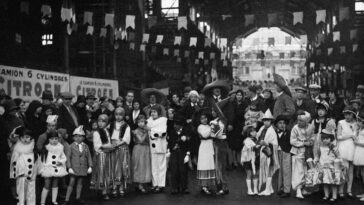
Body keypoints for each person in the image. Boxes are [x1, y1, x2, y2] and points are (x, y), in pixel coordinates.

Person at [63, 126, 93, 205]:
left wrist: (90, 166)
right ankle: (67, 199)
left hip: (83, 167)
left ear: (83, 137)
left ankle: (78, 197)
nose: (78, 138)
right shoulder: (71, 146)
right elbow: (68, 157)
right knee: (71, 182)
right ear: (73, 137)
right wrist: (69, 167)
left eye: (80, 136)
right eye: (76, 136)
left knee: (80, 182)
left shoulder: (86, 146)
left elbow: (89, 157)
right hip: (74, 167)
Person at [39, 130, 68, 205]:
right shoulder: (46, 148)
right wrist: (42, 169)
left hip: (56, 168)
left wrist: (61, 162)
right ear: (48, 139)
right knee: (47, 185)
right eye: (52, 139)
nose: (54, 141)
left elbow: (64, 157)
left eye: (56, 139)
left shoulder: (60, 147)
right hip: (48, 169)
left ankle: (54, 200)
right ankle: (42, 202)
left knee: (55, 184)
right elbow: (42, 160)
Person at [10, 127, 37, 205]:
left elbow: (36, 163)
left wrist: (35, 174)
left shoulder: (33, 148)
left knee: (31, 194)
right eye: (23, 137)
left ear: (31, 138)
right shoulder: (17, 149)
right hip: (21, 175)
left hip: (31, 175)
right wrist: (13, 174)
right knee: (21, 194)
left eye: (27, 137)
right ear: (20, 138)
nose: (25, 139)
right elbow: (13, 162)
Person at [290, 111, 314, 199]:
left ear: (306, 121)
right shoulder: (295, 128)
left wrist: (311, 141)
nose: (299, 122)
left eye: (301, 121)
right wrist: (304, 143)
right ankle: (298, 190)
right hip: (298, 152)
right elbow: (292, 141)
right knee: (298, 171)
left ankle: (306, 188)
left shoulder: (310, 127)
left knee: (306, 170)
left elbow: (312, 137)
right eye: (298, 120)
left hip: (308, 153)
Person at [314, 129, 342, 202]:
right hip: (323, 166)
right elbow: (318, 155)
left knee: (333, 182)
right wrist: (316, 160)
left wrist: (337, 163)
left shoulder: (333, 147)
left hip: (331, 167)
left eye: (327, 139)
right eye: (323, 139)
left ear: (331, 139)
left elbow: (338, 156)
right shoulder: (320, 146)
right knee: (325, 182)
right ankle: (326, 195)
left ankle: (334, 196)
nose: (325, 140)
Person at [337, 106, 358, 198]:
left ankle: (349, 190)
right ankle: (341, 189)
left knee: (351, 170)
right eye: (345, 114)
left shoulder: (356, 124)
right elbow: (339, 137)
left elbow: (357, 136)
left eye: (349, 114)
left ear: (353, 115)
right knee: (344, 169)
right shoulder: (341, 123)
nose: (347, 116)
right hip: (343, 147)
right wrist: (350, 135)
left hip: (353, 147)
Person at [90, 114, 114, 200]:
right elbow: (97, 146)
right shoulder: (96, 132)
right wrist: (109, 146)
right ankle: (103, 191)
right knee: (102, 172)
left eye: (103, 121)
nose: (100, 123)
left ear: (107, 123)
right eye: (99, 121)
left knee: (108, 172)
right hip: (101, 155)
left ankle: (107, 189)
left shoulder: (107, 131)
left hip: (108, 154)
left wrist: (110, 146)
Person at [256, 109, 279, 196]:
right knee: (265, 169)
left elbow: (275, 144)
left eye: (268, 120)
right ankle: (270, 188)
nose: (266, 122)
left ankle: (267, 190)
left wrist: (266, 143)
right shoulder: (262, 128)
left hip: (269, 152)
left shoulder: (272, 131)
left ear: (271, 121)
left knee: (269, 169)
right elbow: (258, 136)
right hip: (262, 152)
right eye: (265, 120)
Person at [109, 107, 131, 197]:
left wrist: (117, 144)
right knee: (113, 168)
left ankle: (121, 187)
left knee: (122, 168)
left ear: (123, 115)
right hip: (113, 149)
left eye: (120, 115)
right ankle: (114, 187)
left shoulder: (126, 126)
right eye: (116, 114)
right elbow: (107, 135)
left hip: (122, 149)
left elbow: (126, 138)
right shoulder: (111, 125)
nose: (118, 116)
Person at [167, 114, 191, 194]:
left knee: (183, 170)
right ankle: (174, 187)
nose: (175, 126)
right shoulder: (172, 132)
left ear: (180, 125)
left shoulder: (186, 132)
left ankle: (184, 187)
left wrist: (188, 154)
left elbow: (189, 144)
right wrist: (170, 149)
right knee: (174, 170)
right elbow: (169, 142)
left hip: (183, 153)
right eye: (174, 124)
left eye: (176, 124)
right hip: (174, 152)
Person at [147, 105, 168, 193]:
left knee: (161, 166)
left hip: (161, 145)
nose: (153, 113)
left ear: (159, 112)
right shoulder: (148, 121)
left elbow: (162, 132)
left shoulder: (163, 120)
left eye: (154, 112)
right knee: (154, 166)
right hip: (152, 146)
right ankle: (155, 184)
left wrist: (151, 129)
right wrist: (152, 129)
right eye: (152, 112)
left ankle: (161, 185)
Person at [196, 109, 216, 195]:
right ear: (200, 120)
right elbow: (205, 135)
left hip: (210, 146)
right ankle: (204, 186)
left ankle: (207, 185)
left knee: (210, 164)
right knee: (204, 165)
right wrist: (211, 128)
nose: (204, 120)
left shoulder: (208, 126)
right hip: (204, 147)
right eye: (202, 118)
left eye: (205, 118)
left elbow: (213, 134)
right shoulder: (200, 127)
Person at [210, 110, 229, 195]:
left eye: (214, 111)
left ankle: (221, 187)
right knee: (221, 166)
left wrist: (212, 130)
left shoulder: (218, 121)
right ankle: (224, 187)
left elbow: (216, 134)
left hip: (219, 143)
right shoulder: (221, 120)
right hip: (221, 143)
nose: (212, 112)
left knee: (219, 166)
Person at [131, 115, 152, 193]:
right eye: (139, 122)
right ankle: (139, 184)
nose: (140, 123)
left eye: (142, 122)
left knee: (145, 166)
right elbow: (141, 140)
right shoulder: (136, 131)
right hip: (139, 149)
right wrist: (147, 132)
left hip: (146, 149)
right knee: (139, 166)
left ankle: (142, 183)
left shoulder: (146, 129)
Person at [275, 115, 292, 198]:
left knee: (286, 171)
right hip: (279, 152)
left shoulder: (288, 133)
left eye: (284, 123)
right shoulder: (275, 132)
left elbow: (290, 143)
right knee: (280, 171)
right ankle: (280, 188)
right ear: (277, 124)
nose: (282, 125)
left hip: (286, 152)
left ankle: (287, 190)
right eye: (280, 123)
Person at [241, 125, 260, 196]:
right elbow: (253, 146)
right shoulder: (247, 140)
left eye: (255, 130)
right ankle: (249, 189)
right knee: (249, 174)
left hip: (256, 159)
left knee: (256, 174)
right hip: (248, 160)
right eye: (253, 131)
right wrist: (260, 145)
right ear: (249, 133)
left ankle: (255, 188)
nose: (255, 132)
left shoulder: (256, 139)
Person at [354, 112, 364, 200]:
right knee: (361, 173)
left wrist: (357, 143)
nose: (357, 122)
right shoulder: (360, 129)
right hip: (360, 151)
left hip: (362, 151)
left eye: (359, 121)